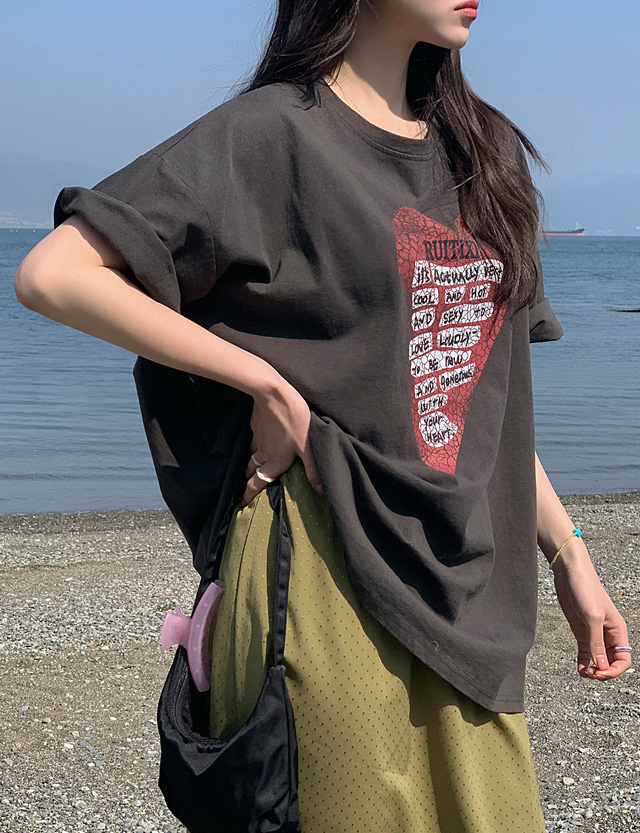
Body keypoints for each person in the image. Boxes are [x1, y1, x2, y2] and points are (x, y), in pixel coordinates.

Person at [14, 0, 632, 830]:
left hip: (473, 594)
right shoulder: (273, 134)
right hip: (323, 564)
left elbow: (482, 408)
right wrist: (264, 382)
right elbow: (56, 274)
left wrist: (569, 554)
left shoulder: (486, 158)